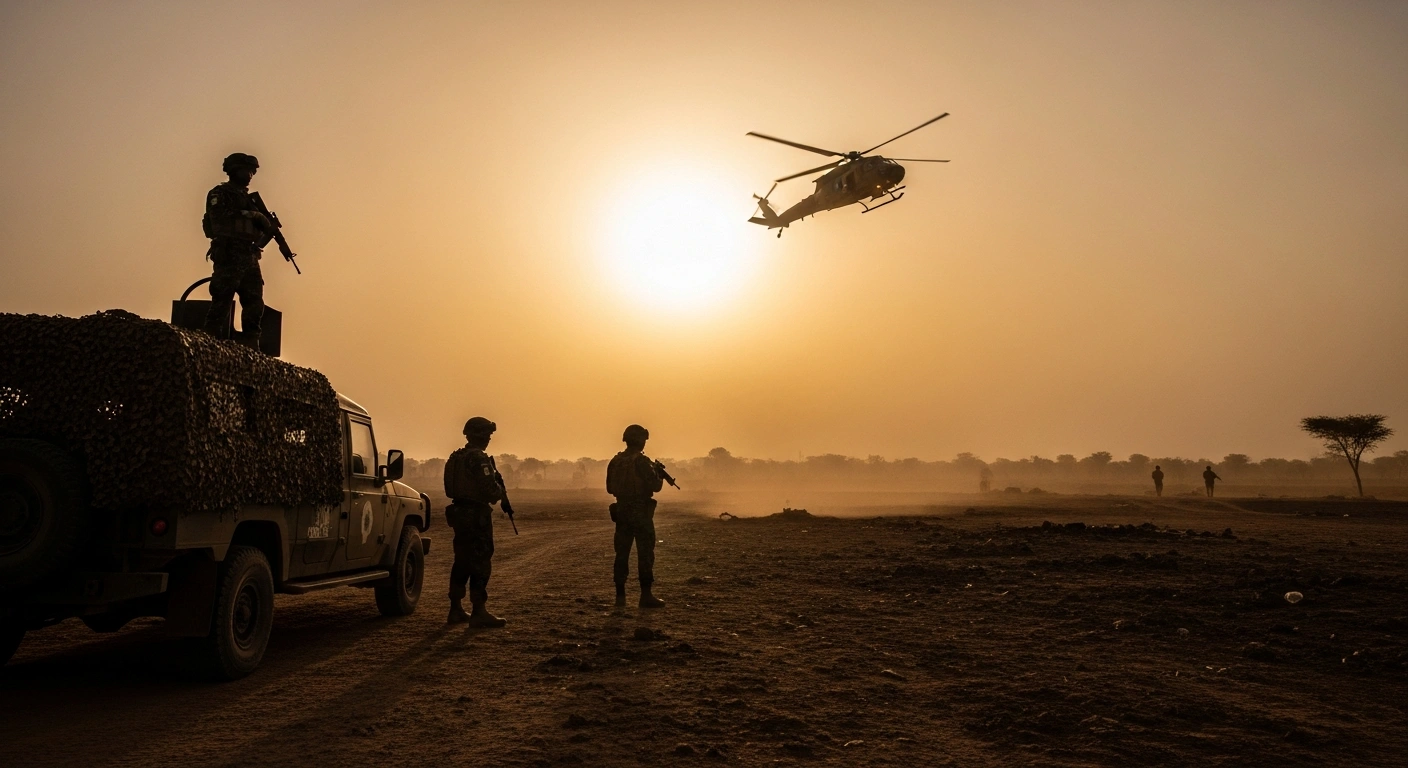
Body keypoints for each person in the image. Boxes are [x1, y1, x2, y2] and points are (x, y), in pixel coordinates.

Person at [202, 152, 273, 349]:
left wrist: (264, 226)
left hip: (249, 254)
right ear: (234, 170)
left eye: (252, 172)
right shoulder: (220, 193)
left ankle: (252, 342)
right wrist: (251, 215)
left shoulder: (250, 199)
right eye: (246, 170)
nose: (250, 175)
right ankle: (208, 340)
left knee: (254, 301)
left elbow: (261, 229)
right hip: (229, 251)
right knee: (222, 298)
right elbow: (218, 218)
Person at [443, 417, 509, 627]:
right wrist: (500, 490)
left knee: (461, 561)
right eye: (487, 435)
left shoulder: (457, 457)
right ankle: (479, 611)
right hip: (476, 516)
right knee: (480, 561)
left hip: (459, 513)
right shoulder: (478, 459)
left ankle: (456, 609)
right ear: (480, 435)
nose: (489, 439)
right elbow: (491, 492)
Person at [606, 424, 665, 609]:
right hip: (640, 513)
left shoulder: (615, 461)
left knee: (621, 554)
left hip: (622, 511)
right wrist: (659, 474)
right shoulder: (641, 461)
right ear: (640, 440)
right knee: (645, 554)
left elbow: (609, 488)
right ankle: (645, 596)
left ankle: (620, 596)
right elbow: (655, 486)